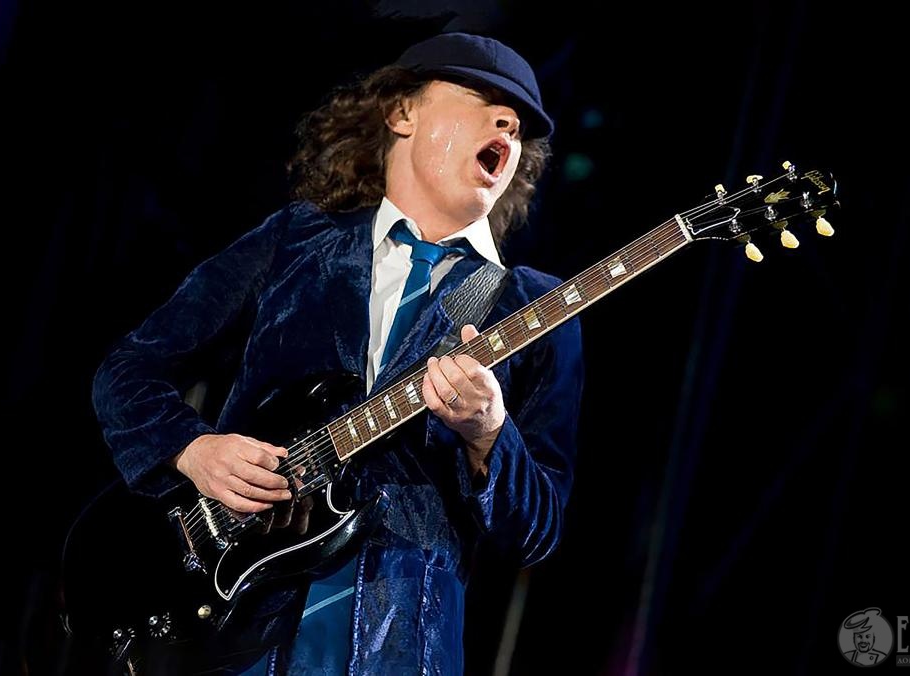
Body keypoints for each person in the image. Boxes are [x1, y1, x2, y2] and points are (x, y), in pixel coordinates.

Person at [91, 31, 583, 675]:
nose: (508, 125)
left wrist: (490, 434)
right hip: (239, 632)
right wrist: (192, 449)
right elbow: (128, 370)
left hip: (404, 649)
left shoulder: (531, 306)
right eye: (482, 98)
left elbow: (538, 531)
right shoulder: (297, 240)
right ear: (402, 112)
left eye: (519, 125)